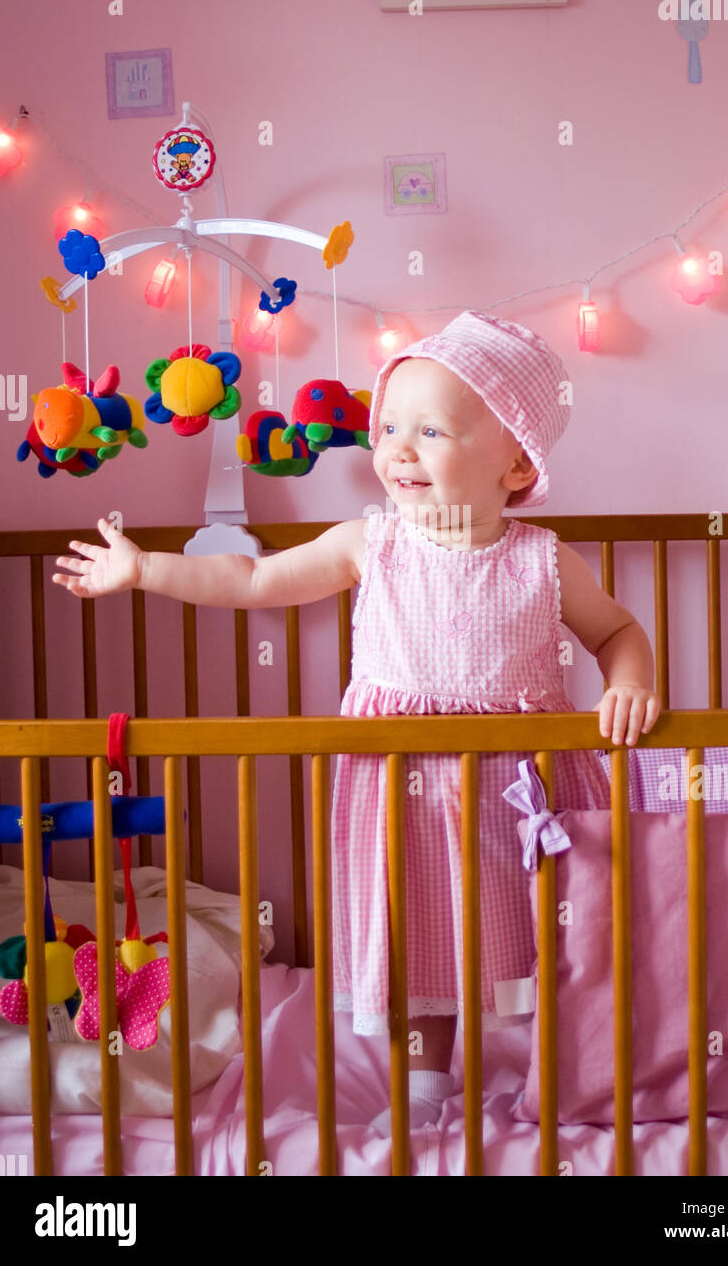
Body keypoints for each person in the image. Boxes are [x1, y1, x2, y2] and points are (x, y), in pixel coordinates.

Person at [53, 309, 661, 1133]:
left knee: (550, 928)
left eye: (432, 430)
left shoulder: (543, 560)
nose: (397, 449)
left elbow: (617, 631)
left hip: (519, 798)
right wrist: (145, 569)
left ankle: (571, 1063)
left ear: (515, 462)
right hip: (400, 792)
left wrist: (629, 682)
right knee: (417, 932)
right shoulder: (367, 545)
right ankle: (424, 1082)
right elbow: (250, 578)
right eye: (387, 428)